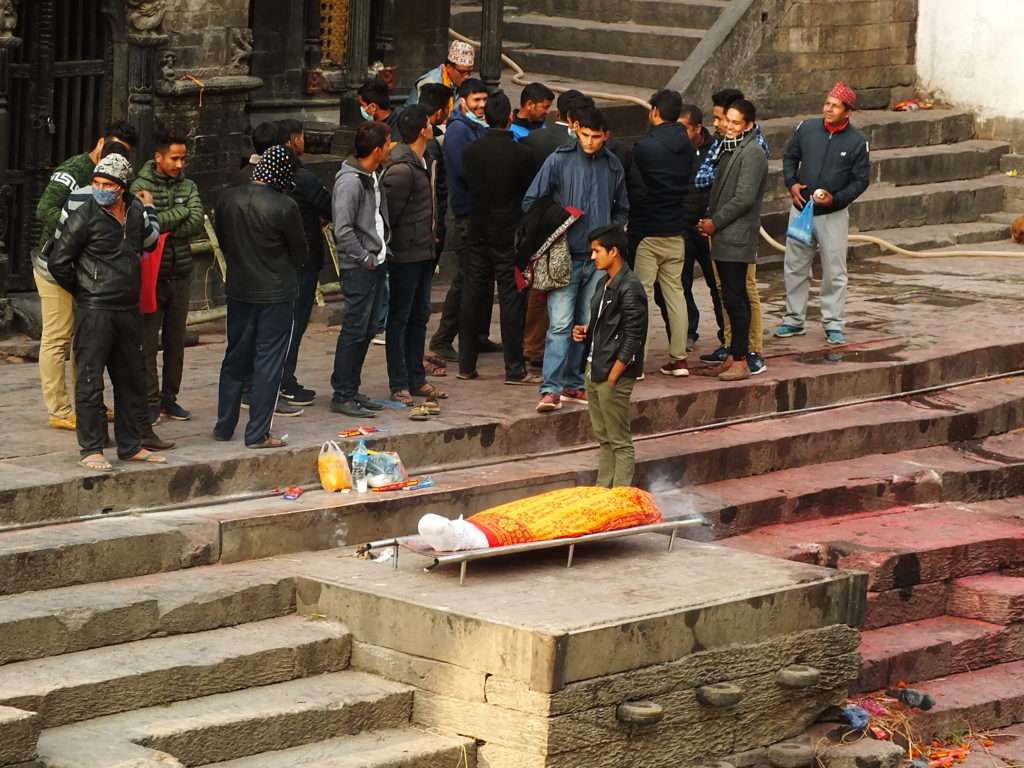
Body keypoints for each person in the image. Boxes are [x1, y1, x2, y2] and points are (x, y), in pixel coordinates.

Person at [48, 154, 169, 471]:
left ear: (122, 187)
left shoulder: (135, 212)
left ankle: (130, 446)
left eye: (108, 184)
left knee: (131, 379)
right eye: (97, 183)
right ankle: (91, 448)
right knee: (90, 379)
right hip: (95, 309)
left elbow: (147, 244)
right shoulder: (84, 216)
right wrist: (85, 290)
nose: (100, 189)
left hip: (127, 308)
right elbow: (58, 261)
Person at [522, 105, 629, 412]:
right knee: (560, 324)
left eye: (596, 137)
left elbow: (622, 207)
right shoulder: (559, 160)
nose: (590, 142)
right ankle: (551, 388)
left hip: (597, 260)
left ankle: (572, 382)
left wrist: (614, 234)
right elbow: (531, 200)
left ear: (606, 136)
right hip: (565, 256)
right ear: (576, 130)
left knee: (584, 323)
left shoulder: (613, 166)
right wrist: (557, 218)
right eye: (585, 135)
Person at [34, 121, 137, 431]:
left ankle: (87, 402)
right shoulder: (72, 172)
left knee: (88, 341)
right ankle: (59, 409)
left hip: (88, 272)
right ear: (100, 143)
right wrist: (78, 234)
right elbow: (45, 209)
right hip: (56, 266)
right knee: (57, 338)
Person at [213, 146, 307, 448]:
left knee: (235, 356)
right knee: (269, 361)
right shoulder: (285, 205)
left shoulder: (228, 198)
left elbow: (224, 242)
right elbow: (300, 253)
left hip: (240, 288)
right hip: (276, 291)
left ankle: (224, 425)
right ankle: (257, 432)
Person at [776, 82, 871, 346]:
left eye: (835, 105)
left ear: (847, 111)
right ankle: (794, 320)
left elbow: (861, 181)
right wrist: (791, 182)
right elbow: (789, 157)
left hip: (833, 216)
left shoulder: (857, 142)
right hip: (801, 210)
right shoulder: (806, 129)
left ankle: (833, 323)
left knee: (834, 270)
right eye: (827, 103)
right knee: (794, 265)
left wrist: (836, 199)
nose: (828, 109)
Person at [460, 91, 540, 384]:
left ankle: (466, 364)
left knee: (473, 292)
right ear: (509, 117)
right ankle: (514, 366)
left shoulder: (471, 151)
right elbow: (527, 193)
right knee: (510, 297)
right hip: (508, 231)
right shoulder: (523, 155)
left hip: (478, 228)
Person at [129, 131, 204, 425]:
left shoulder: (189, 185)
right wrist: (178, 213)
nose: (179, 164)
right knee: (148, 341)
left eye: (183, 158)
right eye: (174, 158)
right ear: (158, 157)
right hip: (152, 275)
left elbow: (195, 223)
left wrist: (163, 218)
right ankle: (150, 398)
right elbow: (146, 225)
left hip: (181, 272)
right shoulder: (140, 186)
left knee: (176, 340)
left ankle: (169, 398)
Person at [696, 88, 769, 375]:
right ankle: (733, 353)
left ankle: (741, 358)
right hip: (724, 236)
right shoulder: (730, 146)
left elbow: (744, 198)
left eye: (736, 123)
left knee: (737, 297)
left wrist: (715, 222)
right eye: (728, 121)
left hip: (736, 236)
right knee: (729, 295)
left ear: (749, 125)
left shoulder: (752, 152)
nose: (728, 126)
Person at [381, 106, 446, 412]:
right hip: (405, 253)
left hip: (423, 251)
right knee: (400, 317)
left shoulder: (424, 160)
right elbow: (388, 215)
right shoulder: (402, 169)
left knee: (419, 315)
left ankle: (416, 376)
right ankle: (399, 382)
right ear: (423, 130)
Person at [572, 225, 647, 488]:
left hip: (612, 372)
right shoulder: (605, 284)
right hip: (596, 367)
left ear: (613, 252)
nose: (593, 257)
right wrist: (585, 331)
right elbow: (606, 325)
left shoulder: (630, 287)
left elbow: (633, 336)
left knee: (619, 440)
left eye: (597, 251)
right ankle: (603, 490)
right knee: (604, 437)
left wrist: (615, 374)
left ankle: (620, 496)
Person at [520, 89, 590, 371]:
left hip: (541, 223)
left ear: (557, 112)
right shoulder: (583, 148)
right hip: (575, 225)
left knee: (541, 286)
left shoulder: (533, 140)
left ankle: (533, 346)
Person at [629, 89, 695, 378]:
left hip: (649, 230)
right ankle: (679, 359)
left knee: (642, 295)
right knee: (675, 293)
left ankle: (637, 362)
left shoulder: (645, 147)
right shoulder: (687, 144)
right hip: (676, 228)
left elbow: (638, 190)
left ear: (655, 111)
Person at [428, 78, 494, 364]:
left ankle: (477, 333)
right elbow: (464, 171)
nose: (481, 106)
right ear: (463, 100)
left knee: (481, 277)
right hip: (466, 212)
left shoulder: (477, 127)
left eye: (484, 101)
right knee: (465, 277)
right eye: (476, 101)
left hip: (481, 212)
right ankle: (443, 338)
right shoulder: (458, 131)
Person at [330, 122, 392, 418]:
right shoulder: (350, 182)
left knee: (367, 328)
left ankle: (351, 389)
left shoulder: (371, 175)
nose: (391, 149)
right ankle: (343, 392)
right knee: (355, 329)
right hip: (359, 267)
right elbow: (342, 230)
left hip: (376, 261)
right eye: (388, 144)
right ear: (377, 150)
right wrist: (364, 258)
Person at [277, 118, 333, 406]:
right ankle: (283, 380)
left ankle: (279, 379)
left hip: (279, 262)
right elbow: (328, 206)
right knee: (293, 323)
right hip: (301, 261)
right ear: (293, 141)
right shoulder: (302, 178)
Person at [678, 104, 725, 352]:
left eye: (683, 129)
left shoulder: (716, 150)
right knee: (681, 283)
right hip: (682, 227)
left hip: (709, 227)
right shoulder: (673, 150)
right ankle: (687, 331)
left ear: (697, 128)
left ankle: (725, 333)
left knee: (717, 284)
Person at [407, 39, 475, 114]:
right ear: (449, 67)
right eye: (462, 72)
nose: (466, 77)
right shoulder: (431, 82)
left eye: (469, 72)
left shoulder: (463, 83)